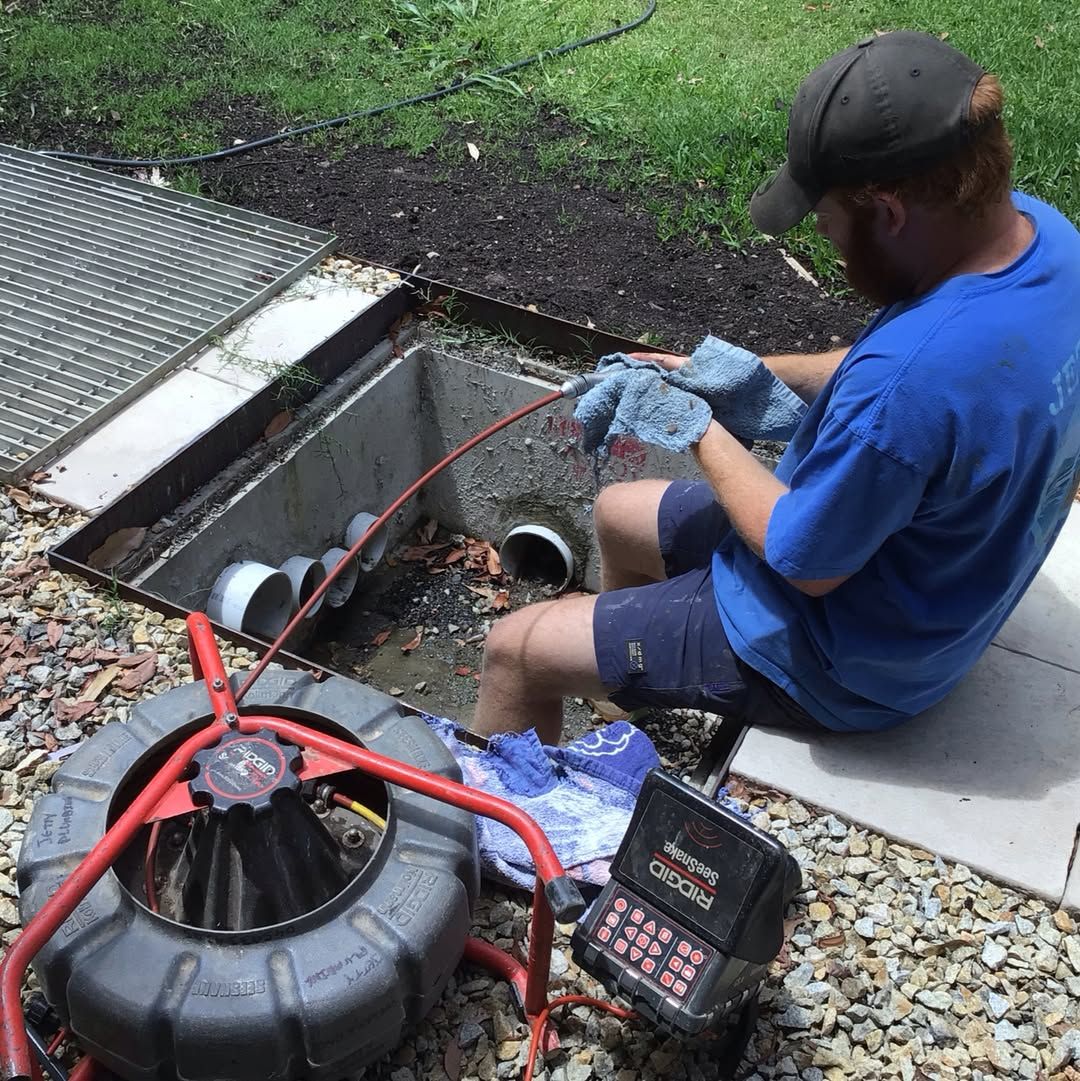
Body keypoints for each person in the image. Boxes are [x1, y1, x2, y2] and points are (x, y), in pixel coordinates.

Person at [472, 30, 1080, 746]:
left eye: (827, 223)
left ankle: (516, 852)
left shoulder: (910, 384)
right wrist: (751, 374)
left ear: (888, 211)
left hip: (848, 661)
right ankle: (627, 699)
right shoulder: (1046, 240)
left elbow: (806, 559)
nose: (825, 238)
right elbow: (900, 381)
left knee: (515, 651)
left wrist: (697, 424)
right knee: (615, 511)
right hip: (936, 596)